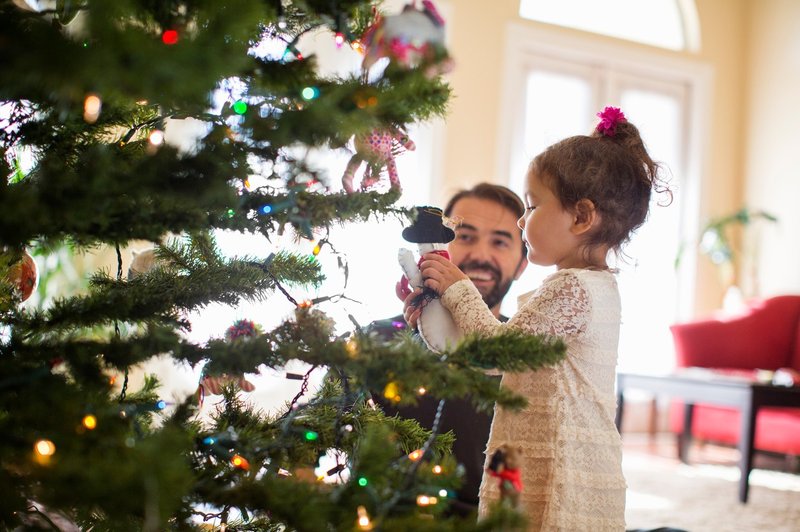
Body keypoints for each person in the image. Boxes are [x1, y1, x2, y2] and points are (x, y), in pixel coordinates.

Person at [408, 107, 668, 530]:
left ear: (581, 216)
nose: (522, 219)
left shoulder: (574, 290)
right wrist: (432, 316)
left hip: (559, 465)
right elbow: (484, 350)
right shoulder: (587, 286)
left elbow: (498, 351)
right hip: (536, 450)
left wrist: (457, 286)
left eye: (531, 207)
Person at [368, 182, 528, 516]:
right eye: (464, 237)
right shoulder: (377, 340)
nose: (481, 255)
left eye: (500, 241)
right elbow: (313, 440)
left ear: (521, 263)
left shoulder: (528, 355)